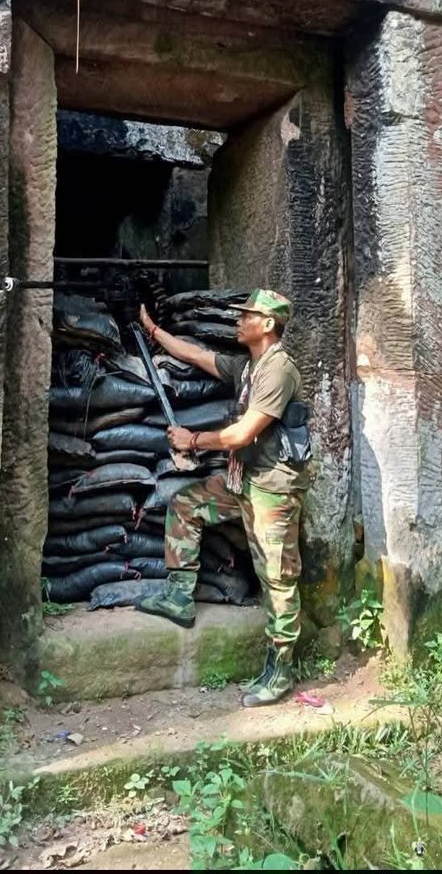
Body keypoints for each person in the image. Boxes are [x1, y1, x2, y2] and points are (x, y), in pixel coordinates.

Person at [136, 289, 308, 708]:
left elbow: (241, 434)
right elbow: (197, 357)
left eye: (248, 315)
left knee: (277, 576)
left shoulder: (278, 370)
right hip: (243, 480)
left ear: (267, 324)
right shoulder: (248, 367)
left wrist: (192, 439)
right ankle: (180, 595)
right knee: (186, 504)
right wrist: (154, 330)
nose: (239, 319)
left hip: (272, 489)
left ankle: (280, 669)